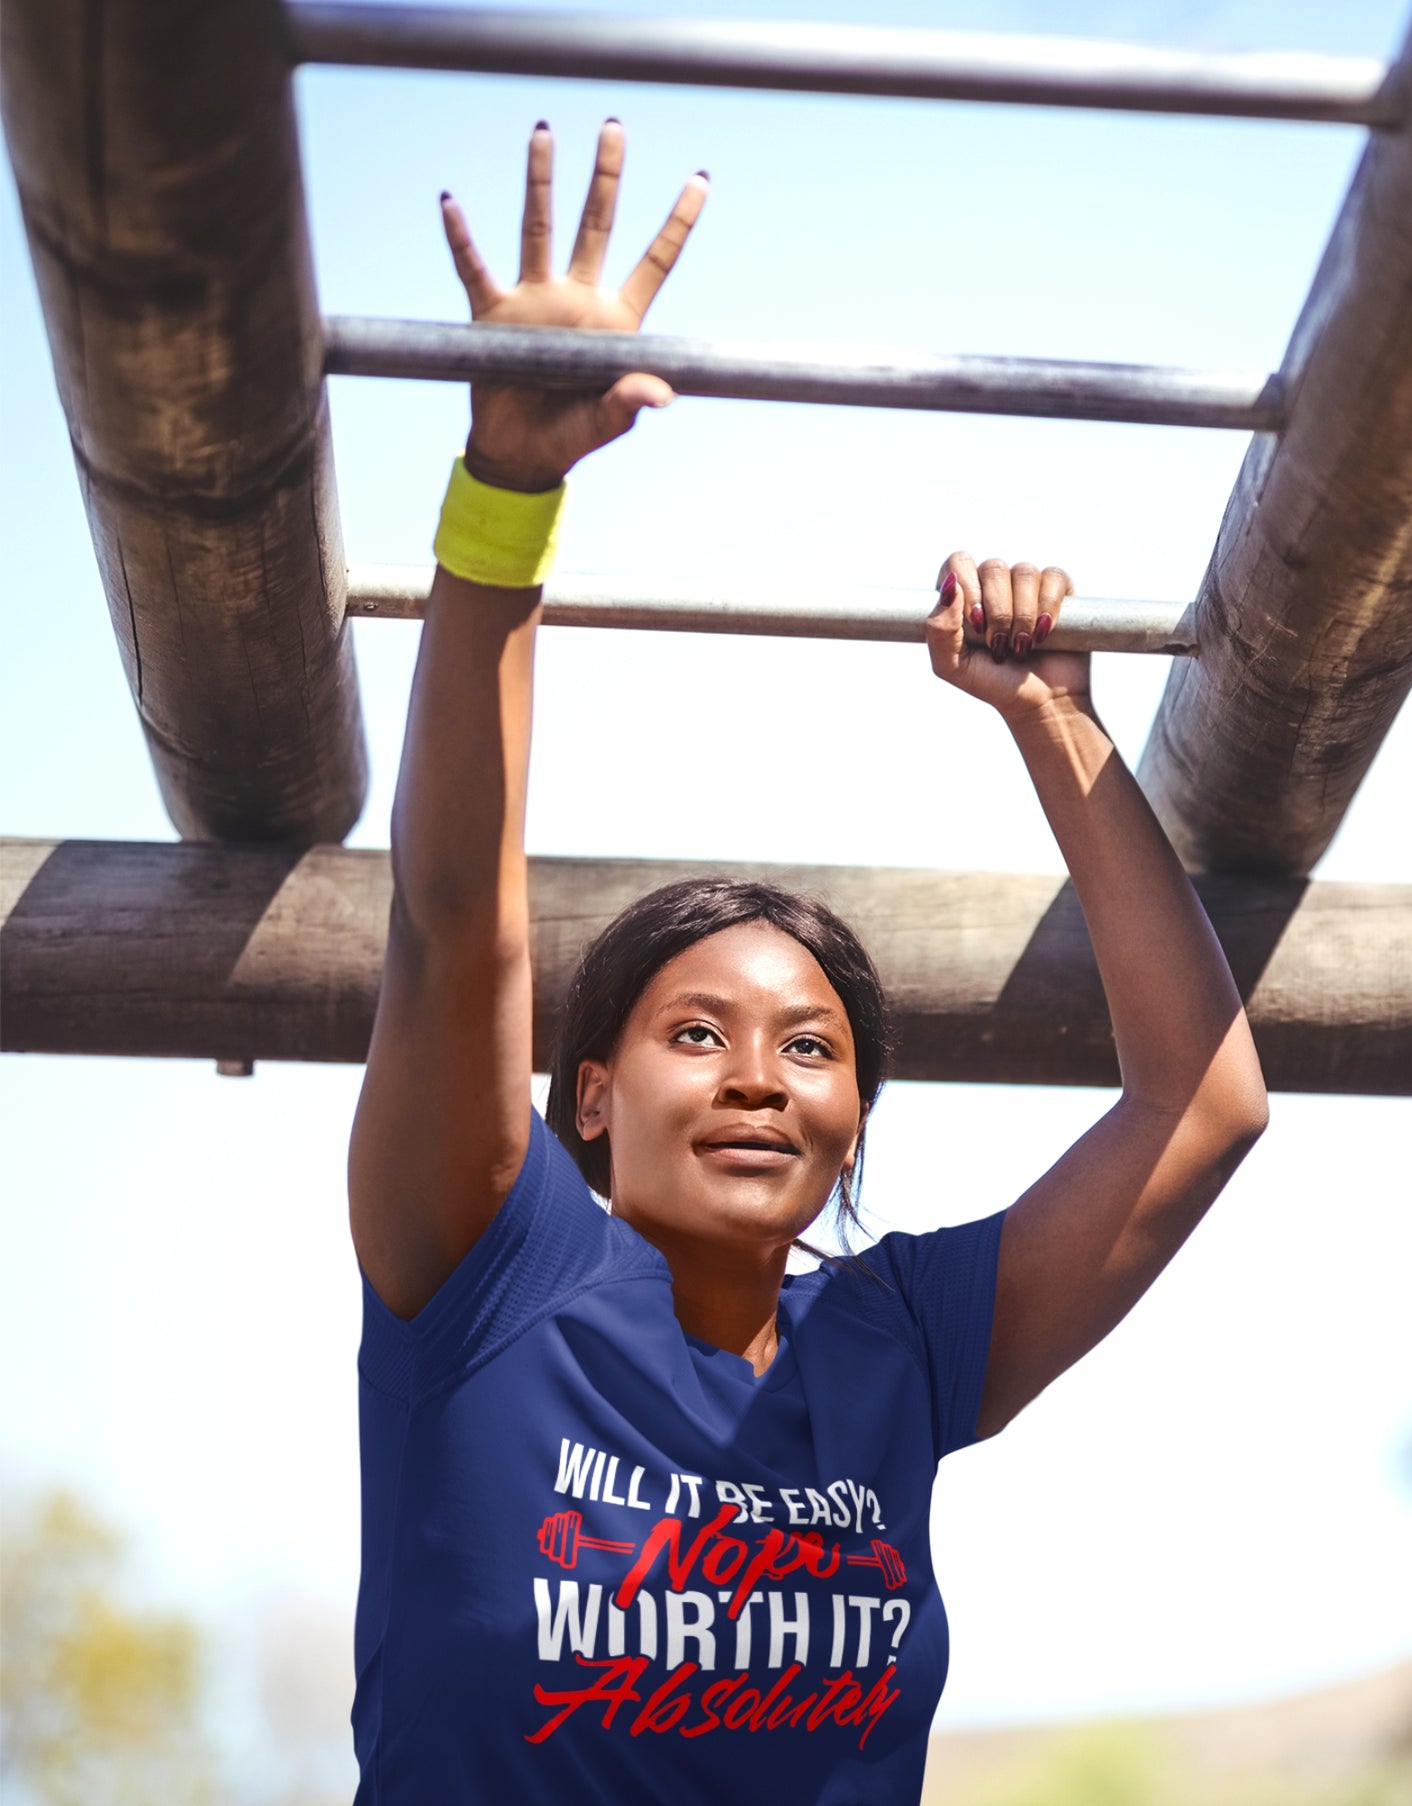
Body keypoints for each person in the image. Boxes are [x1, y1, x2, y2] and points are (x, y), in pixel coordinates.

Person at [346, 121, 1269, 1804]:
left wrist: (1054, 717)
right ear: (589, 1094)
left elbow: (1201, 1100)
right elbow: (450, 922)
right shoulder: (487, 1273)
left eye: (814, 1047)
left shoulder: (896, 1344)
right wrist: (510, 493)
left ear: (855, 1113)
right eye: (699, 1032)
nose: (763, 1073)